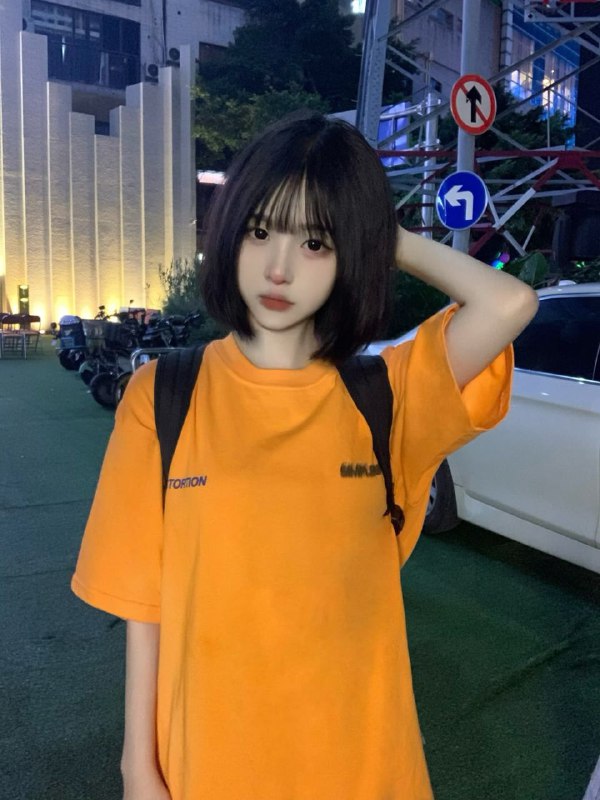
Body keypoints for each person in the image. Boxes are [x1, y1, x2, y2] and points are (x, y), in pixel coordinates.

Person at [71, 111, 538, 800]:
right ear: (231, 230)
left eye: (316, 242)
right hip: (213, 760)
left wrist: (377, 229)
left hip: (363, 764)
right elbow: (145, 605)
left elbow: (509, 302)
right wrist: (137, 768)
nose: (279, 268)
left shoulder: (385, 395)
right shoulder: (163, 394)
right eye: (260, 230)